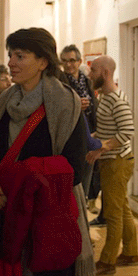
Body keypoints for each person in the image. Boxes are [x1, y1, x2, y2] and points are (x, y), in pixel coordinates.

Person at [0, 28, 94, 276]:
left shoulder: (65, 103)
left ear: (43, 62)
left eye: (20, 56)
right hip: (2, 212)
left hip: (46, 218)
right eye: (10, 55)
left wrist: (21, 180)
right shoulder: (3, 102)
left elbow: (73, 165)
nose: (10, 63)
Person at [86, 56, 138, 276]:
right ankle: (130, 253)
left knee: (113, 213)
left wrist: (101, 148)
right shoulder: (105, 98)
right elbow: (109, 129)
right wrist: (91, 137)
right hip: (113, 161)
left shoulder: (116, 99)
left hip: (117, 162)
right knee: (122, 209)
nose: (90, 75)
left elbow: (127, 132)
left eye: (94, 71)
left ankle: (108, 262)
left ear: (105, 73)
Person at [59, 45, 100, 206]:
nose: (68, 65)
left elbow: (94, 104)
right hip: (71, 136)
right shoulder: (59, 81)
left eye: (72, 61)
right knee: (72, 181)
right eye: (65, 61)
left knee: (86, 179)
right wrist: (75, 106)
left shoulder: (87, 80)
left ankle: (82, 215)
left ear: (79, 61)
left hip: (90, 134)